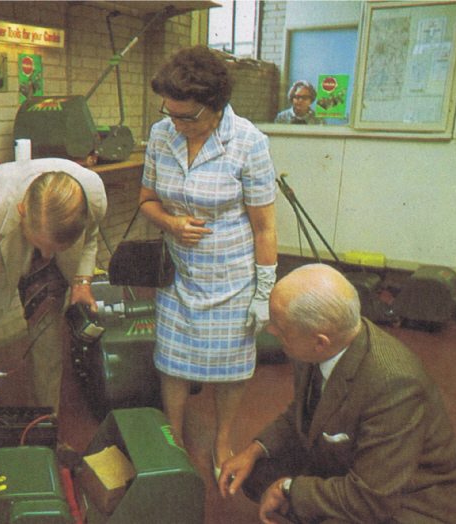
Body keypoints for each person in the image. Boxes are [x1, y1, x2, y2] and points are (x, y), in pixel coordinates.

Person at [219, 264, 456, 524]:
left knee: (315, 505)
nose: (270, 330)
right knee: (257, 474)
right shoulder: (317, 345)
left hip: (414, 500)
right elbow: (302, 413)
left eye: (280, 327)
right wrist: (254, 450)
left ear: (320, 342)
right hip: (358, 465)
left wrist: (289, 489)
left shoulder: (395, 383)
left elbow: (374, 498)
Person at [0, 158, 107, 506]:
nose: (46, 254)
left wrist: (82, 280)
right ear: (23, 210)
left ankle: (46, 434)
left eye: (54, 247)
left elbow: (90, 238)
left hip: (46, 265)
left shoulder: (92, 193)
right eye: (41, 244)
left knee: (49, 350)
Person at [139, 45, 278, 479]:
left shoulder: (249, 143)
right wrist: (171, 223)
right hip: (178, 273)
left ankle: (222, 439)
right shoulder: (162, 134)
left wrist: (265, 291)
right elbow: (146, 200)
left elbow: (264, 227)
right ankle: (175, 438)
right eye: (170, 113)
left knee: (231, 367)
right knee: (172, 363)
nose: (176, 124)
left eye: (186, 117)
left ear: (216, 108)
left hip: (232, 276)